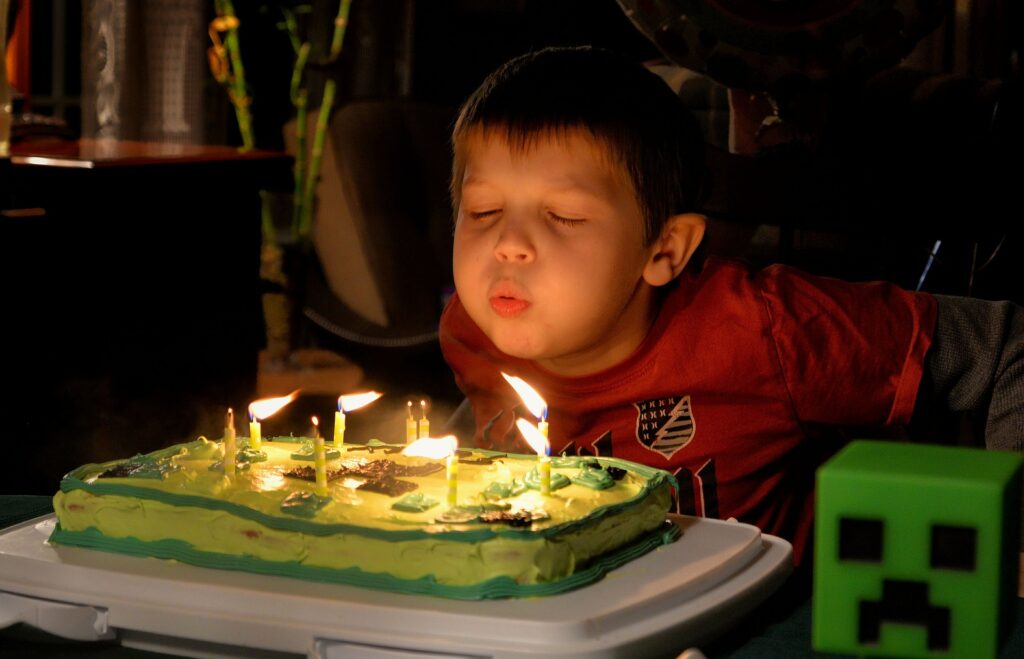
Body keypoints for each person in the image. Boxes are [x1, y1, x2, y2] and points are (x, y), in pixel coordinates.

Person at [438, 46, 1024, 561]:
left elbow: (1007, 346)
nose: (507, 245)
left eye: (563, 217)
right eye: (483, 211)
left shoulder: (763, 330)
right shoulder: (473, 332)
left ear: (665, 250)